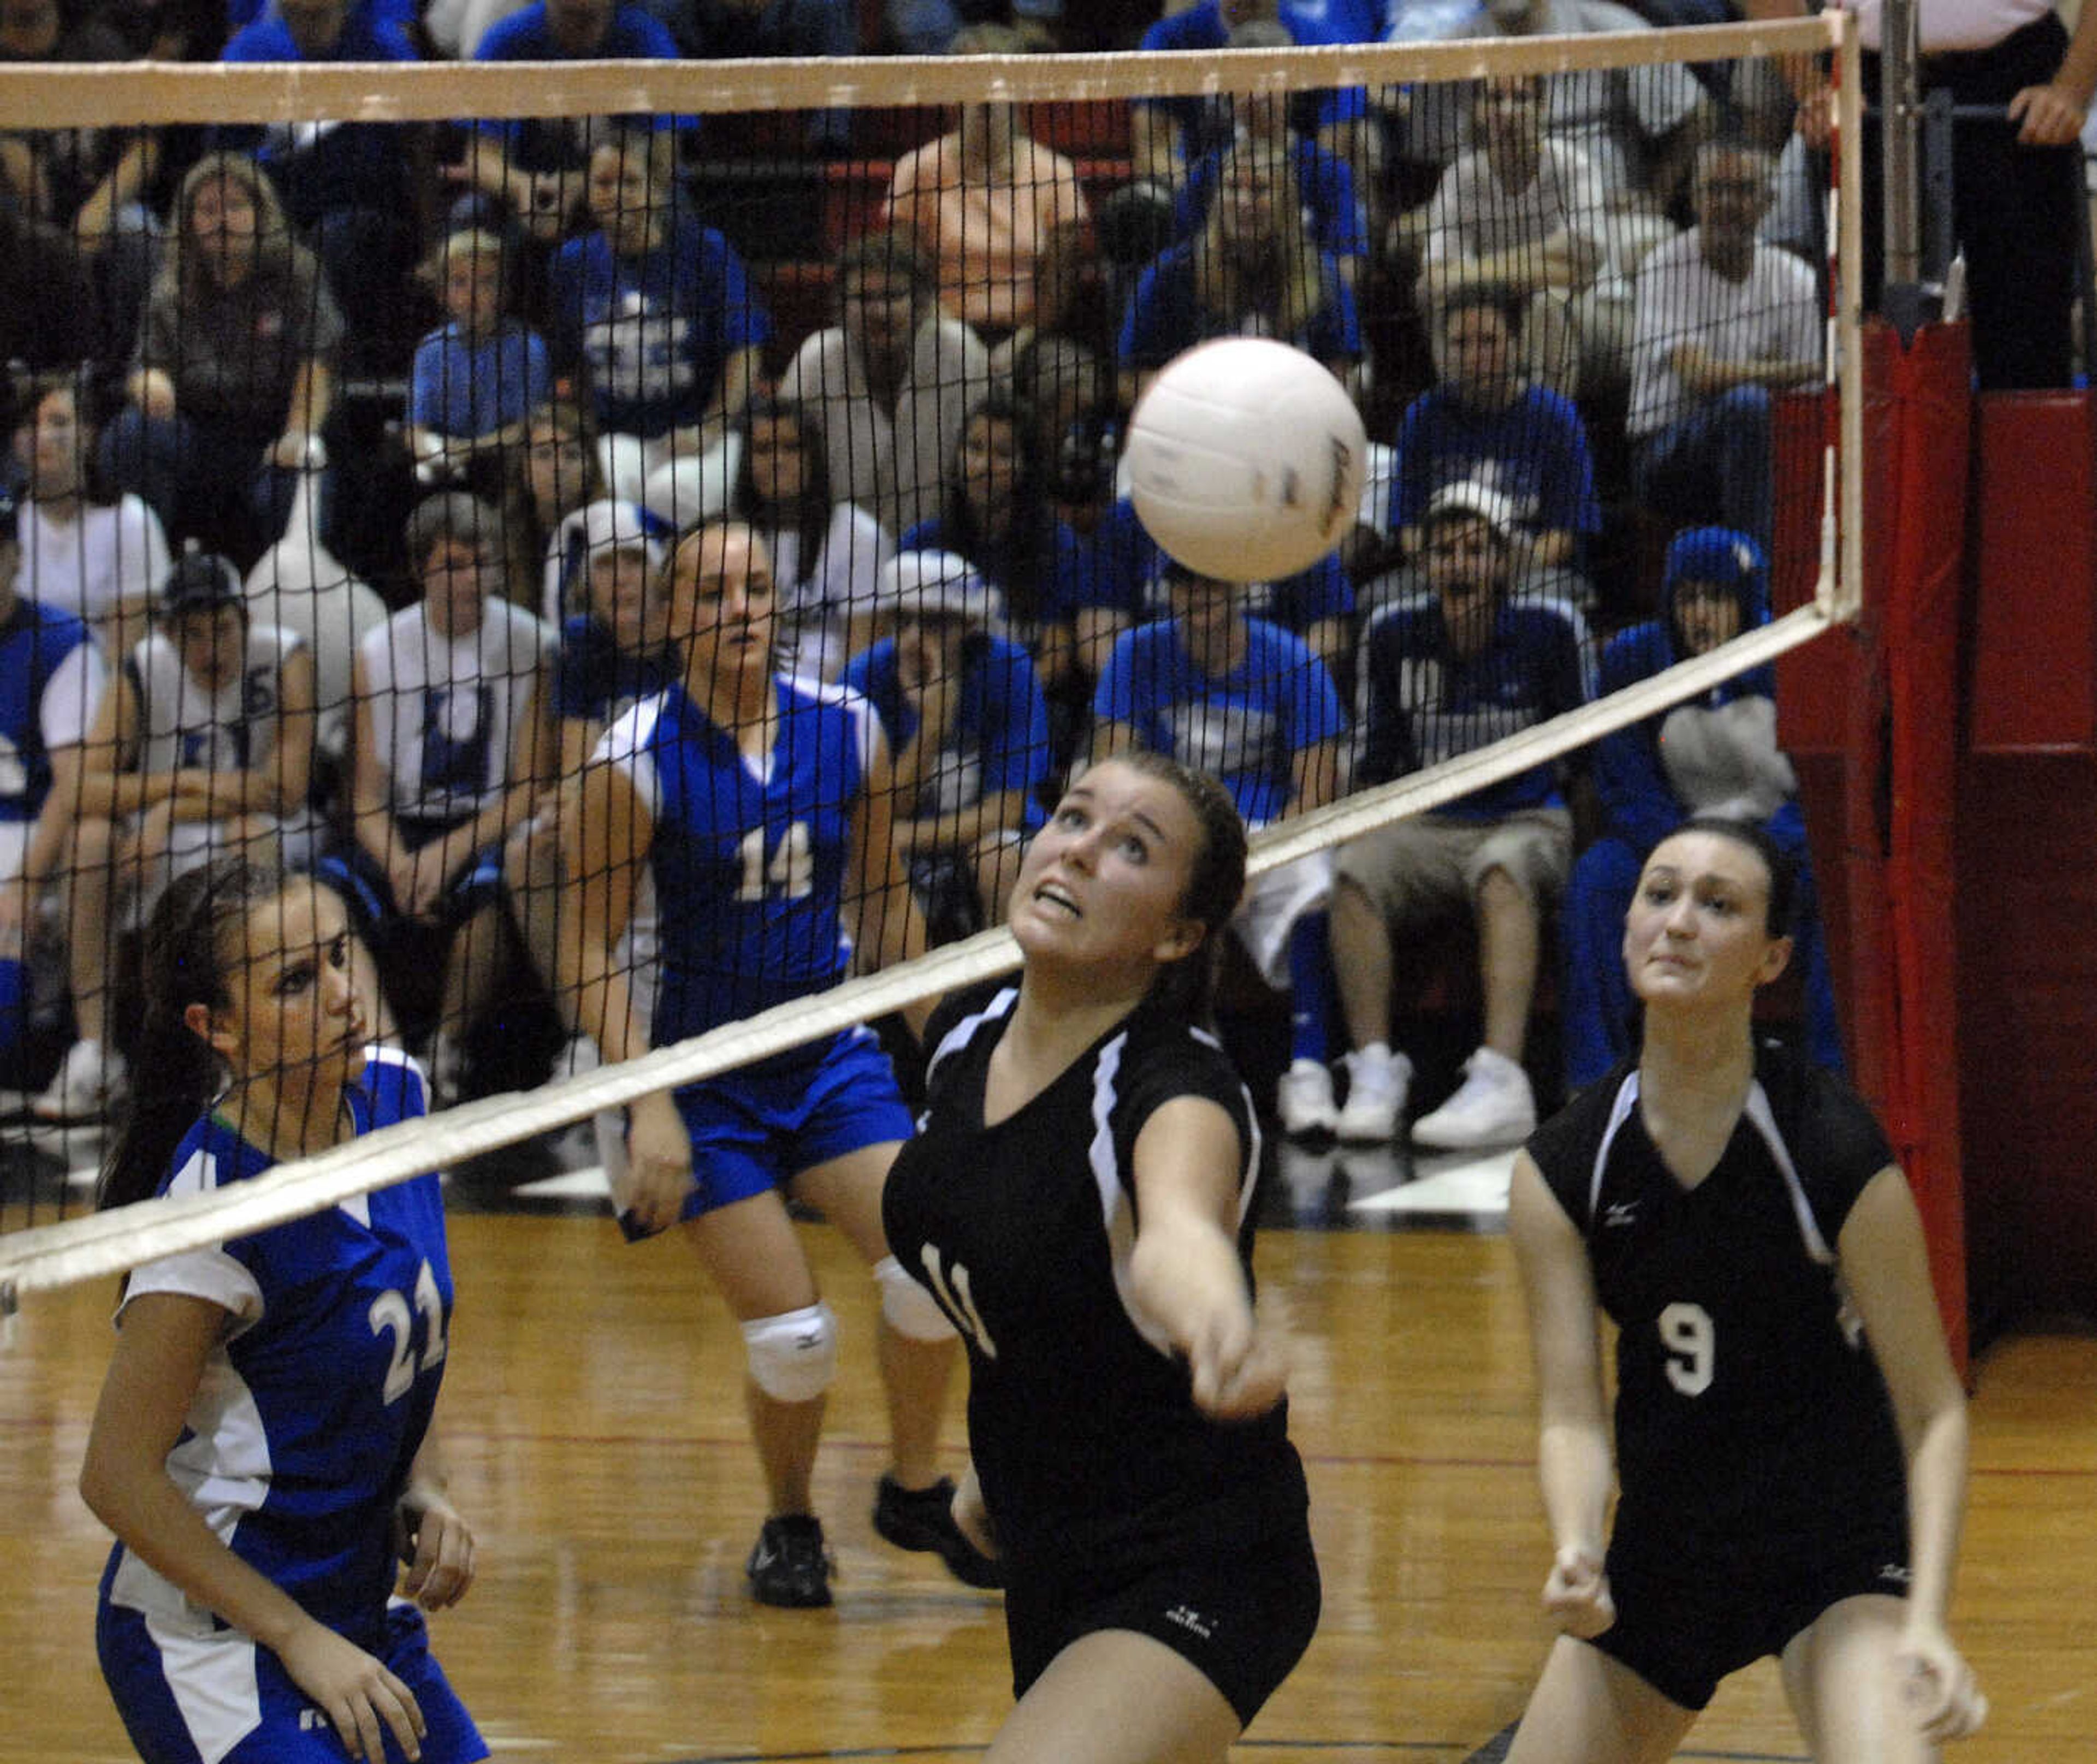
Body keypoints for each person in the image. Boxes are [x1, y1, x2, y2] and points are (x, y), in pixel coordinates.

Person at [558, 520, 997, 1607]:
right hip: (701, 1076)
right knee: (797, 1335)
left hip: (827, 1050)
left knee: (930, 1271)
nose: (741, 606)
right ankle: (793, 1520)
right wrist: (644, 1101)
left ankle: (910, 1486)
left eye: (756, 585)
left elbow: (886, 903)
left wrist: (953, 1048)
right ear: (669, 618)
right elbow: (581, 947)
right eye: (712, 590)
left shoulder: (847, 728)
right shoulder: (630, 759)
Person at [1502, 816, 1986, 1763]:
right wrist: (1575, 1543)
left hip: (1835, 1553)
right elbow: (1569, 1412)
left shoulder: (1831, 1145)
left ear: (1771, 959)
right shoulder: (1567, 1165)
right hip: (1668, 1549)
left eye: (1717, 905)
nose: (1678, 921)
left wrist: (1927, 1620)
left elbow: (1934, 1412)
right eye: (1660, 893)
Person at [881, 749, 1320, 1762]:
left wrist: (1218, 1324)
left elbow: (1178, 1234)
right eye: (1072, 818)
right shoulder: (966, 1038)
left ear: (1178, 933)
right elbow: (1027, 1276)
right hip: (1047, 1550)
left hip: (1200, 1561)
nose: (1078, 851)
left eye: (1130, 847)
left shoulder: (1174, 1094)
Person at [80, 856, 487, 1764]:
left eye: (340, 957)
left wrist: (426, 1483)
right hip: (214, 1638)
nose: (343, 994)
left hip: (352, 1608)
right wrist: (296, 1638)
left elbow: (398, 1343)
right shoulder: (211, 1214)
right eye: (297, 981)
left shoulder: (399, 1097)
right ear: (215, 1027)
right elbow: (114, 1477)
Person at [1330, 479, 1589, 1149]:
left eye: (1476, 550)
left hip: (1526, 819)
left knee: (1504, 870)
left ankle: (1503, 1080)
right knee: (1354, 869)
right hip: (1429, 822)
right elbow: (1374, 756)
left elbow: (1584, 750)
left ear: (1503, 563)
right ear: (1426, 566)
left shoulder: (1551, 629)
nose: (1459, 565)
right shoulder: (1392, 633)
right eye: (1445, 551)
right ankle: (1376, 1072)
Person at [1562, 526, 1841, 1091]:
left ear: (1747, 601)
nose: (1701, 615)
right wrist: (1684, 854)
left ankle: (1831, 1083)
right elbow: (1624, 777)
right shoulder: (1636, 659)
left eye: (1716, 598)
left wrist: (1760, 852)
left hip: (1774, 847)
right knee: (1598, 878)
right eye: (1687, 599)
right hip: (1673, 842)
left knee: (1833, 884)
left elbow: (1814, 787)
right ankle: (1592, 1085)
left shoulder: (1794, 652)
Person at [1091, 563, 1347, 1137]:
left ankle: (1308, 1069)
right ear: (1168, 591)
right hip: (1170, 829)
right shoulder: (1136, 654)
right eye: (1185, 584)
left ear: (1241, 585)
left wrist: (1246, 864)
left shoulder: (1292, 658)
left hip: (1270, 833)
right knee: (1134, 882)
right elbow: (1116, 779)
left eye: (1212, 582)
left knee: (1317, 878)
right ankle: (1193, 1063)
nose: (1199, 595)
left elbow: (1315, 795)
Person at [1750, 0, 2096, 391]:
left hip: (2017, 77)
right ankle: (1890, 451)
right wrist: (1811, 87)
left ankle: (2024, 450)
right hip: (1864, 81)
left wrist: (2072, 88)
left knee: (2029, 337)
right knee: (1882, 344)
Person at [339, 491, 556, 1091]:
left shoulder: (532, 645)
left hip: (486, 822)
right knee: (327, 896)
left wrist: (446, 854)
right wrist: (402, 863)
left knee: (487, 898)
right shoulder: (379, 650)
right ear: (421, 570)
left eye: (483, 564)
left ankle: (447, 1048)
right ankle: (382, 1055)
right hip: (401, 826)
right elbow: (364, 799)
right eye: (454, 566)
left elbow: (530, 787)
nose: (472, 580)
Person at [100, 152, 343, 572]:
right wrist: (150, 384)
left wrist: (297, 433)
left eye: (235, 206)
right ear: (190, 221)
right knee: (131, 437)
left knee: (297, 478)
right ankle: (147, 577)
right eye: (209, 209)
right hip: (199, 436)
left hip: (272, 434)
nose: (223, 219)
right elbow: (144, 366)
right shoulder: (173, 284)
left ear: (260, 212)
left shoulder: (296, 273)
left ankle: (293, 597)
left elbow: (318, 362)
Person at [546, 124, 769, 525]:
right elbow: (571, 363)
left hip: (703, 429)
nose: (615, 194)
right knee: (609, 505)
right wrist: (587, 429)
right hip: (620, 435)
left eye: (629, 182)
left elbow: (746, 351)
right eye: (603, 182)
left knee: (674, 491)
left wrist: (712, 427)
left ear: (658, 190)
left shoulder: (707, 252)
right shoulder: (572, 262)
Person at [839, 549, 1052, 937]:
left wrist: (899, 836)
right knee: (862, 864)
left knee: (998, 858)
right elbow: (877, 814)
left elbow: (1002, 812)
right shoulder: (863, 677)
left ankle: (1000, 986)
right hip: (900, 847)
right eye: (902, 620)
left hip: (985, 841)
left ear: (970, 624)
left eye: (934, 623)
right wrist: (932, 727)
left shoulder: (1010, 670)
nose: (913, 639)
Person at [1626, 141, 1819, 559]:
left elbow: (1809, 394)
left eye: (1744, 190)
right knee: (1747, 405)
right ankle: (1755, 580)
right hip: (1667, 453)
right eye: (1715, 190)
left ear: (1768, 202)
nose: (1728, 202)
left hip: (1764, 447)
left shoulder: (1797, 279)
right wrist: (1792, 370)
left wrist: (1797, 374)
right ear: (1695, 199)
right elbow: (1701, 377)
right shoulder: (1665, 264)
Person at [1367, 283, 1602, 616]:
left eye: (1489, 342)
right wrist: (1448, 569)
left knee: (1554, 602)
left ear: (1517, 346)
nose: (1474, 357)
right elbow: (1408, 526)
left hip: (1527, 572)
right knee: (1377, 602)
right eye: (1460, 344)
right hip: (1442, 571)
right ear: (1443, 350)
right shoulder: (1423, 417)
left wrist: (1496, 574)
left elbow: (1565, 534)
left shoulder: (1556, 418)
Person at [0, 483, 120, 1118]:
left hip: (31, 830)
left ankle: (94, 1055)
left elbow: (76, 785)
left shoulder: (62, 642)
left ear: (17, 558)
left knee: (6, 1016)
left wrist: (24, 880)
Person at [880, 22, 1092, 345]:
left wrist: (1020, 345)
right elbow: (908, 275)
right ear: (953, 92)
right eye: (975, 79)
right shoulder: (916, 169)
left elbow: (1058, 288)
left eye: (1000, 80)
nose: (988, 95)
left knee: (1077, 384)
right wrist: (958, 344)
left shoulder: (1056, 172)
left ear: (1021, 91)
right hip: (940, 334)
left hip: (1029, 338)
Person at [775, 225, 991, 539]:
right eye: (863, 298)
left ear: (920, 303)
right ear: (841, 308)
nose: (879, 312)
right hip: (838, 550)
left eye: (893, 296)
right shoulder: (816, 360)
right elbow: (783, 465)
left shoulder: (959, 353)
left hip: (941, 549)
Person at [727, 395, 892, 684]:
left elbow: (862, 658)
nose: (778, 461)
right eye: (764, 450)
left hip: (830, 702)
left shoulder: (860, 537)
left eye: (792, 448)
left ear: (814, 458)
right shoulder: (731, 540)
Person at [11, 368, 170, 655]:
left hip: (99, 687)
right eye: (29, 424)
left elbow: (123, 659)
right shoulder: (8, 524)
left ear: (86, 435)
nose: (43, 435)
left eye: (58, 423)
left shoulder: (131, 521)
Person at [408, 228, 554, 494]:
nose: (472, 293)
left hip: (503, 468)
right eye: (460, 282)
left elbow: (525, 429)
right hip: (445, 464)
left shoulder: (527, 347)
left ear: (503, 293)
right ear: (442, 293)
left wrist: (466, 450)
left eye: (486, 282)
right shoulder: (431, 348)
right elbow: (415, 428)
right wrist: (429, 454)